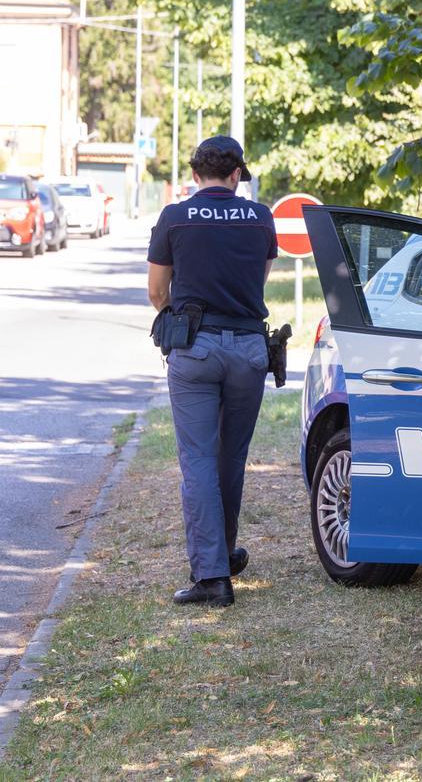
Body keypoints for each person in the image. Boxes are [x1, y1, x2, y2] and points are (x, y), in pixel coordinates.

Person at [147, 136, 277, 607]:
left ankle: (212, 575)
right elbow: (258, 281)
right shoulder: (261, 218)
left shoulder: (175, 216)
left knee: (198, 460)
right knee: (231, 457)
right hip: (248, 348)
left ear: (194, 174)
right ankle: (222, 552)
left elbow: (157, 292)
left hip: (195, 349)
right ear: (238, 174)